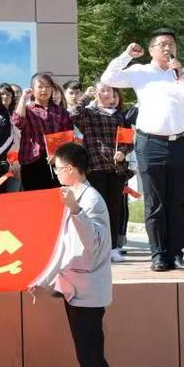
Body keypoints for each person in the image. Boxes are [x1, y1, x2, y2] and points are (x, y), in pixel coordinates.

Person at [101, 28, 184, 271]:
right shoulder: (140, 72)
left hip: (179, 142)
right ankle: (158, 254)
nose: (168, 48)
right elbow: (109, 78)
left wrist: (183, 77)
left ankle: (176, 254)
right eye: (162, 44)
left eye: (172, 44)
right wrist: (126, 56)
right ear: (151, 50)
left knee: (178, 202)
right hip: (150, 143)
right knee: (155, 201)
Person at [36, 142, 112, 367]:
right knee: (86, 354)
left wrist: (75, 209)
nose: (56, 173)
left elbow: (91, 243)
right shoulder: (73, 195)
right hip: (75, 288)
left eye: (57, 168)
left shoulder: (90, 200)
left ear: (70, 168)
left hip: (87, 292)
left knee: (91, 356)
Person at [70, 83, 134, 263]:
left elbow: (129, 141)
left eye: (110, 91)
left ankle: (112, 247)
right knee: (96, 208)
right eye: (103, 90)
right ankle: (95, 247)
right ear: (97, 93)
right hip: (95, 167)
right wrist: (86, 97)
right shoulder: (89, 114)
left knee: (114, 208)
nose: (107, 94)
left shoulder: (121, 116)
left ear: (114, 94)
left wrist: (123, 152)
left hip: (116, 168)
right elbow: (74, 114)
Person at [12, 72, 74, 191]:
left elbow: (68, 137)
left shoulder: (61, 112)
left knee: (58, 197)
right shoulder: (27, 110)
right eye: (40, 87)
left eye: (47, 86)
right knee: (34, 199)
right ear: (32, 89)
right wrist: (23, 98)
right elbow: (18, 122)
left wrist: (57, 155)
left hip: (57, 162)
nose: (44, 90)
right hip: (31, 161)